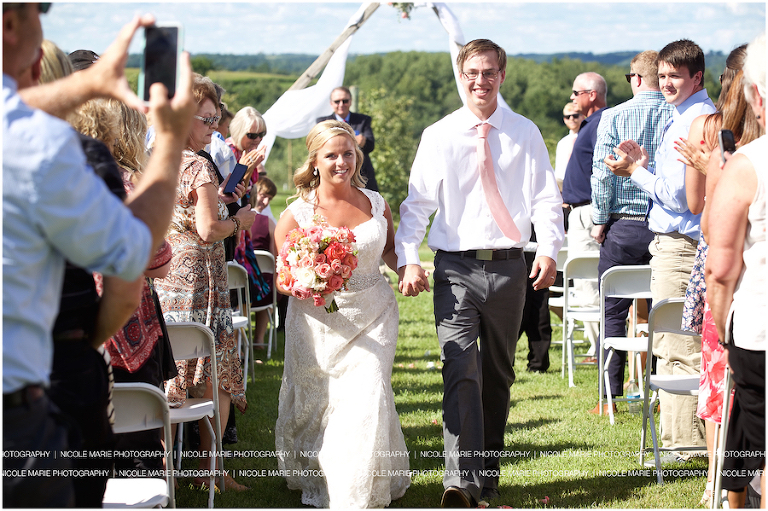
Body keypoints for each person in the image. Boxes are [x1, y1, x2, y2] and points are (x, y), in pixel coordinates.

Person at [3, 4, 196, 506]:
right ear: (10, 23)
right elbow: (133, 255)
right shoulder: (60, 152)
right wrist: (172, 140)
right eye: (38, 10)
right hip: (33, 398)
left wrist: (83, 86)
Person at [395, 39, 564, 507]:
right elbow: (416, 207)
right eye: (472, 72)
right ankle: (461, 485)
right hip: (455, 269)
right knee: (460, 369)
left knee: (497, 376)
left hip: (511, 269)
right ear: (460, 74)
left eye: (489, 73)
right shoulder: (440, 134)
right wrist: (409, 257)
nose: (480, 81)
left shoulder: (525, 132)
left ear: (501, 77)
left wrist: (548, 249)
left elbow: (546, 199)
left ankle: (486, 480)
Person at [274, 120, 410, 508]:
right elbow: (282, 278)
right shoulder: (297, 214)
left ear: (357, 156)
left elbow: (388, 250)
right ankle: (325, 475)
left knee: (367, 394)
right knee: (320, 405)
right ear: (315, 161)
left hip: (375, 313)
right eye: (331, 155)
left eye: (347, 153)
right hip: (318, 321)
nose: (341, 162)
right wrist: (306, 281)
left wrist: (407, 268)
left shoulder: (375, 203)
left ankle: (353, 494)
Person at [606, 39, 716, 455]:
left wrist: (635, 172)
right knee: (674, 341)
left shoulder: (695, 120)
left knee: (677, 343)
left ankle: (685, 445)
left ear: (697, 77)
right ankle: (685, 439)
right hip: (677, 239)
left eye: (676, 76)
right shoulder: (686, 114)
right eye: (664, 76)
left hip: (682, 243)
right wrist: (646, 164)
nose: (667, 83)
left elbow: (681, 197)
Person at [154, 74, 256, 492]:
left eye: (217, 119)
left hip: (169, 279)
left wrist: (222, 200)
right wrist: (239, 221)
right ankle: (211, 471)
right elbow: (209, 229)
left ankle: (164, 473)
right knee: (215, 373)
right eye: (207, 120)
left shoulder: (157, 159)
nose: (214, 127)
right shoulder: (198, 164)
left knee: (170, 372)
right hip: (202, 282)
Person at [673, 44, 760, 506]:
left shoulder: (713, 133)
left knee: (723, 388)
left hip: (731, 284)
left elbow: (701, 214)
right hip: (734, 278)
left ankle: (725, 487)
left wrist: (712, 172)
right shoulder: (713, 130)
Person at [589, 51, 674, 415]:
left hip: (624, 224)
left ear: (636, 79)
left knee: (612, 312)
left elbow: (603, 173)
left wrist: (599, 218)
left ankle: (611, 399)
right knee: (666, 314)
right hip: (667, 226)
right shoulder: (680, 114)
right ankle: (662, 393)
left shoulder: (613, 116)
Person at [706, 33, 765, 510]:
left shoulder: (748, 165)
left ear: (756, 95)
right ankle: (735, 493)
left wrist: (722, 323)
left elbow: (721, 267)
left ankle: (739, 493)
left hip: (758, 324)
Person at [561, 71, 608, 362]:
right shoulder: (592, 124)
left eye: (576, 92)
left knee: (588, 282)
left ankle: (601, 348)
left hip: (588, 212)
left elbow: (603, 171)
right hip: (585, 211)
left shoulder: (599, 122)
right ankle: (600, 346)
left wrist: (597, 216)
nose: (572, 98)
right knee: (586, 282)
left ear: (591, 94)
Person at [234, 176, 280, 352]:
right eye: (263, 195)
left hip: (241, 283)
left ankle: (252, 342)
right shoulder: (267, 223)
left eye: (269, 198)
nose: (266, 201)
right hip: (258, 286)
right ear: (254, 193)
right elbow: (274, 256)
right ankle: (259, 339)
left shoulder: (238, 219)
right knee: (266, 287)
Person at [316, 86, 378, 191]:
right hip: (335, 175)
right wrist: (355, 141)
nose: (341, 105)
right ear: (331, 103)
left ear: (350, 102)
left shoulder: (363, 120)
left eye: (345, 101)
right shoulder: (323, 123)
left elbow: (370, 145)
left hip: (362, 176)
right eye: (337, 101)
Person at [554, 102, 584, 191]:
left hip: (582, 185)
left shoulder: (588, 139)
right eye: (568, 117)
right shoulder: (562, 143)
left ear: (582, 117)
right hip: (564, 186)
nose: (571, 119)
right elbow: (559, 170)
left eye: (575, 116)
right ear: (564, 119)